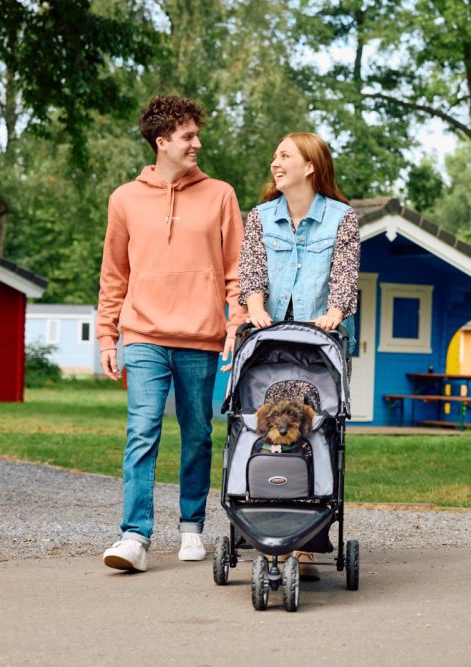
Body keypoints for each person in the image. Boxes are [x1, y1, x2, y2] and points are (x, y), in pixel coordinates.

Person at [97, 95, 246, 573]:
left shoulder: (220, 194)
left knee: (198, 434)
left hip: (201, 336)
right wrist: (106, 335)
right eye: (188, 136)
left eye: (197, 134)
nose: (197, 143)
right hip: (142, 334)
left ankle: (191, 528)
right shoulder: (124, 199)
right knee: (142, 431)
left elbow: (236, 270)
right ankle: (135, 536)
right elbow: (113, 274)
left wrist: (236, 324)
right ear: (162, 142)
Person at [238, 131, 360, 580]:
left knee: (317, 429)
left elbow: (345, 277)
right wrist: (254, 307)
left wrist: (334, 313)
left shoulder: (342, 219)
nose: (275, 162)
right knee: (260, 424)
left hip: (317, 338)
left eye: (285, 155)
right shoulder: (260, 217)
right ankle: (263, 528)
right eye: (275, 155)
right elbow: (250, 271)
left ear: (310, 166)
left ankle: (308, 542)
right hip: (269, 338)